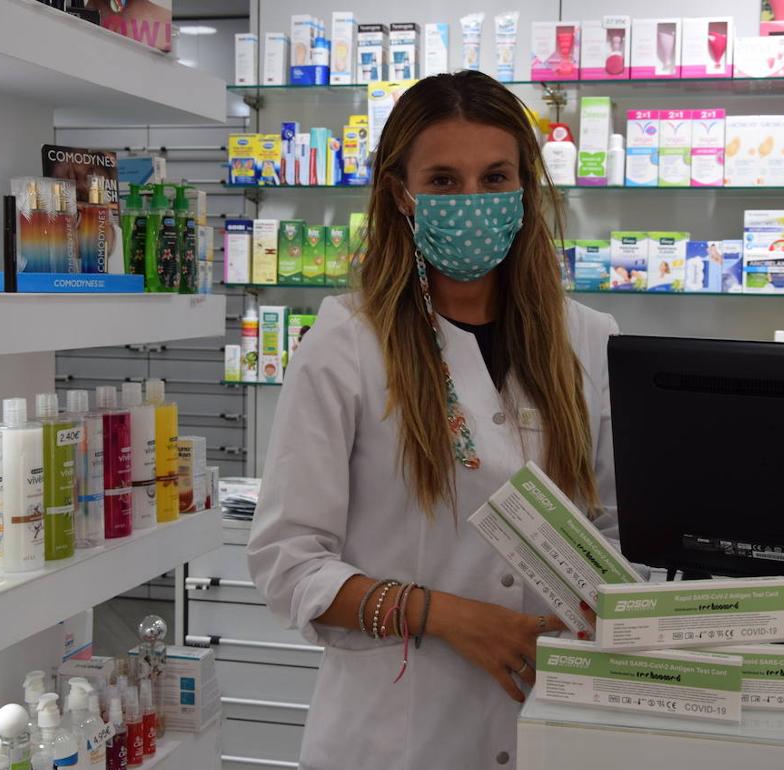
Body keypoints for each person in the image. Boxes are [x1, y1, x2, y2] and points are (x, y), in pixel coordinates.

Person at [247, 71, 623, 770]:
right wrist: (450, 617)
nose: (472, 202)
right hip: (397, 736)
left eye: (495, 177)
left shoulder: (590, 340)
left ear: (524, 191)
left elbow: (615, 528)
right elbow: (287, 564)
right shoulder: (346, 345)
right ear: (402, 195)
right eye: (444, 182)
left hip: (557, 723)